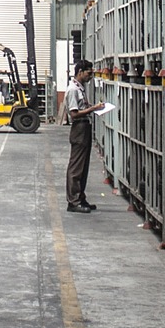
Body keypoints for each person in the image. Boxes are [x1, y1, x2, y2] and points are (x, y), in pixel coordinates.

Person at [63, 60, 104, 213]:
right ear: (80, 71)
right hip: (79, 127)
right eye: (88, 73)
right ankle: (73, 201)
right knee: (76, 167)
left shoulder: (80, 88)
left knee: (83, 166)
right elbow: (74, 114)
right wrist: (93, 108)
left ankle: (80, 197)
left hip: (84, 127)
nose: (90, 76)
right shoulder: (73, 89)